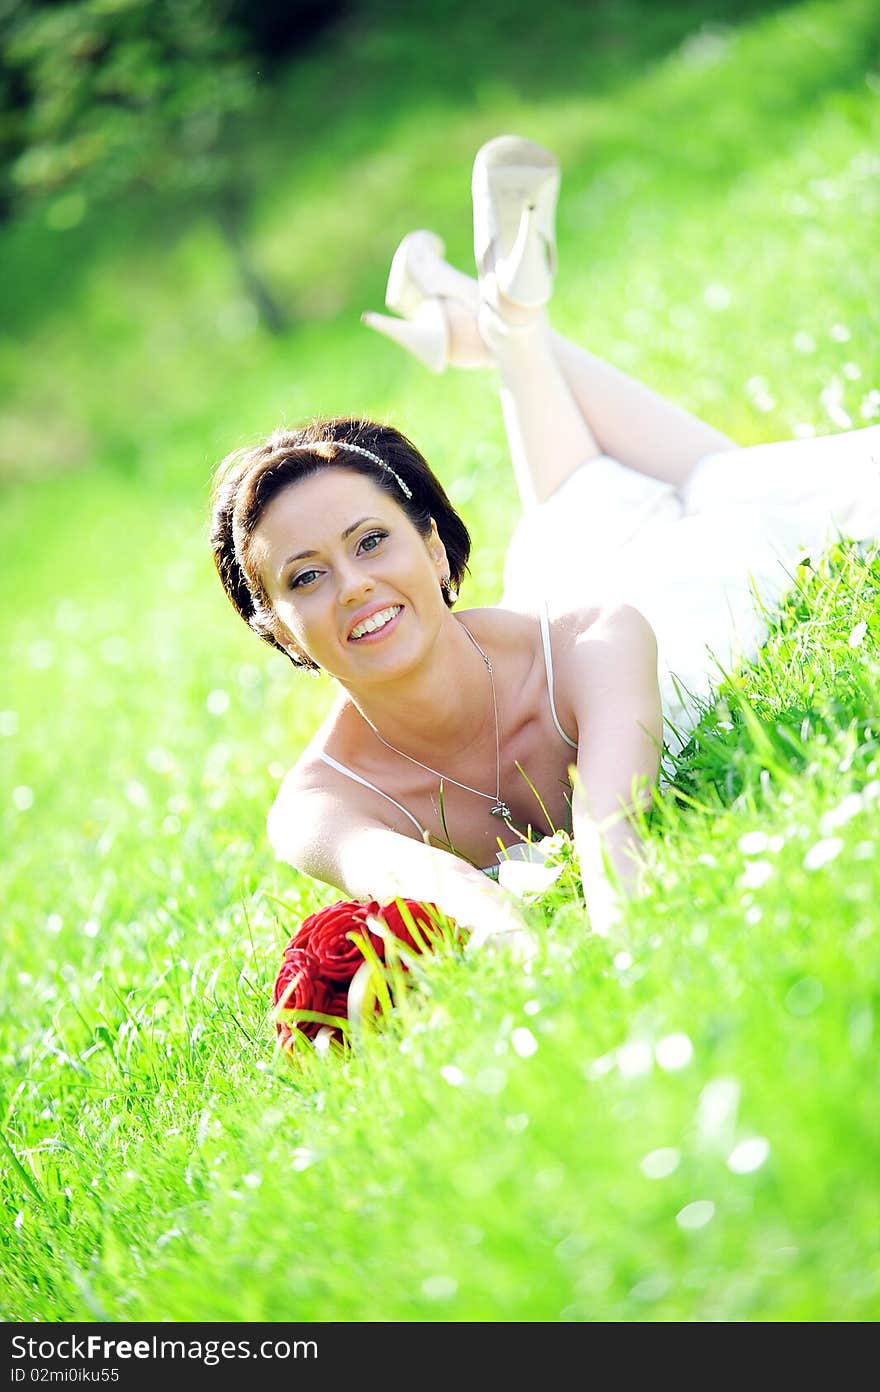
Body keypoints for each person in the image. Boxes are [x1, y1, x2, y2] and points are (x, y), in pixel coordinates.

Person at [210, 136, 880, 944]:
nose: (352, 583)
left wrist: (620, 942)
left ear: (433, 548)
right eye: (307, 578)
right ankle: (504, 327)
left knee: (733, 490)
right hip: (560, 576)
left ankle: (501, 327)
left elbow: (611, 834)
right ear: (278, 627)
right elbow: (439, 884)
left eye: (372, 541)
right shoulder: (320, 804)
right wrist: (526, 961)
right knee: (591, 494)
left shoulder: (604, 634)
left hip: (667, 595)